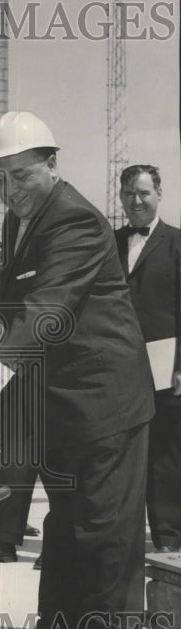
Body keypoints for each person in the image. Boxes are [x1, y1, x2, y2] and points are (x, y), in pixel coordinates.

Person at [0, 111, 154, 629]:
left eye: (21, 175)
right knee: (65, 522)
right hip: (60, 399)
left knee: (105, 522)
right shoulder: (23, 222)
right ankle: (60, 626)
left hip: (104, 398)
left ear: (51, 164)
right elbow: (18, 299)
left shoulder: (75, 222)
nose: (10, 189)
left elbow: (48, 310)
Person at [114, 165, 181, 552]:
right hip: (117, 366)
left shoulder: (175, 242)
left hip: (164, 367)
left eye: (143, 193)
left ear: (159, 194)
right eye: (128, 193)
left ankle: (169, 537)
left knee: (165, 453)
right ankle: (118, 539)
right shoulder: (108, 241)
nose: (135, 201)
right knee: (117, 455)